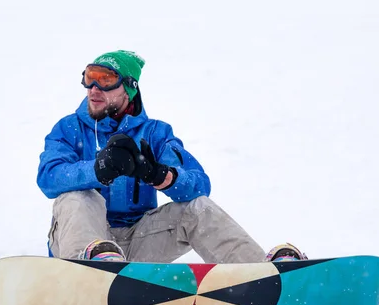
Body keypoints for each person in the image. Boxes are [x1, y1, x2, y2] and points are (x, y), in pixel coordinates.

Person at [37, 50, 306, 263]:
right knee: (78, 196)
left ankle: (262, 274)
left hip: (136, 241)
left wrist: (160, 175)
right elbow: (48, 178)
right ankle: (85, 274)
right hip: (81, 243)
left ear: (129, 88)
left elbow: (200, 184)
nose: (94, 88)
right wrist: (97, 171)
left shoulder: (155, 133)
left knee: (196, 207)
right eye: (89, 77)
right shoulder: (68, 128)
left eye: (106, 80)